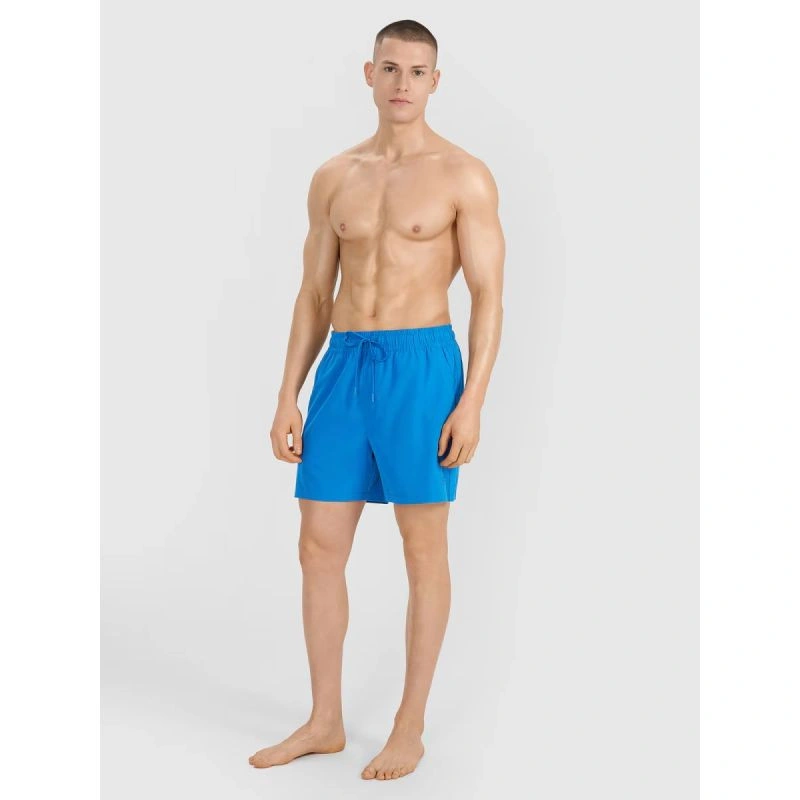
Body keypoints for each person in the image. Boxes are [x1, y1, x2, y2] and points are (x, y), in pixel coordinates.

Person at [250, 19, 505, 781]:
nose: (402, 83)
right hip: (343, 368)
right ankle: (324, 721)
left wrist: (472, 401)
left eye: (417, 72)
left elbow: (489, 296)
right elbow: (312, 294)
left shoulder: (464, 175)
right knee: (318, 546)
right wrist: (288, 394)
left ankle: (409, 726)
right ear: (369, 74)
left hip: (421, 369)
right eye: (390, 68)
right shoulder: (335, 176)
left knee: (423, 551)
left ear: (435, 82)